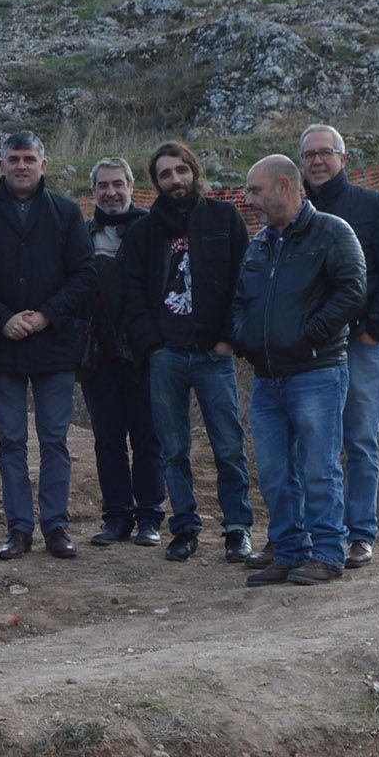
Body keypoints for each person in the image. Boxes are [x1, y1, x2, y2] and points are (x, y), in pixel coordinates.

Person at [229, 155, 367, 588]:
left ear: (286, 186)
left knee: (319, 468)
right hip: (268, 377)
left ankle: (327, 553)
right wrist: (245, 338)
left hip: (316, 373)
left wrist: (309, 336)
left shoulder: (331, 233)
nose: (247, 199)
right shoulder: (259, 245)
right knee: (273, 470)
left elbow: (351, 292)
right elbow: (240, 302)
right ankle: (287, 553)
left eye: (255, 190)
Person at [119, 141, 256, 565]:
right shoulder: (143, 231)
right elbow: (128, 294)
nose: (175, 179)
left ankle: (237, 529)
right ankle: (184, 528)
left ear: (194, 171)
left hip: (214, 353)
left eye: (181, 170)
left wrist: (228, 339)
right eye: (165, 174)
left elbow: (244, 281)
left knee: (229, 445)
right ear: (155, 182)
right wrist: (153, 345)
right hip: (167, 356)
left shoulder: (224, 217)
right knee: (173, 448)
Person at [0, 132, 92, 561]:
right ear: (0, 165)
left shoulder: (67, 213)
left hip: (53, 345)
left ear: (44, 164)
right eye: (14, 159)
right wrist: (4, 319)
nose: (22, 166)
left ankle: (56, 526)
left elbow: (83, 275)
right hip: (4, 348)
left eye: (29, 158)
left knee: (55, 439)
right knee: (11, 441)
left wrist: (45, 315)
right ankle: (18, 529)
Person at [298, 123, 379, 569]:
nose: (317, 161)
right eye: (309, 155)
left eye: (325, 153)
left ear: (343, 159)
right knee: (310, 444)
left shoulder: (373, 207)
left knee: (360, 439)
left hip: (360, 345)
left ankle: (360, 534)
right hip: (308, 350)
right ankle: (318, 531)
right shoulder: (295, 212)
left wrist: (374, 330)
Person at [79, 156, 163, 547]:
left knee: (148, 438)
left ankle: (150, 517)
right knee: (107, 439)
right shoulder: (82, 235)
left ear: (131, 186)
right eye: (103, 186)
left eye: (118, 184)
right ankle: (116, 517)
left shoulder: (152, 229)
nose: (111, 193)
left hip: (146, 354)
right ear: (93, 191)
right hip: (100, 356)